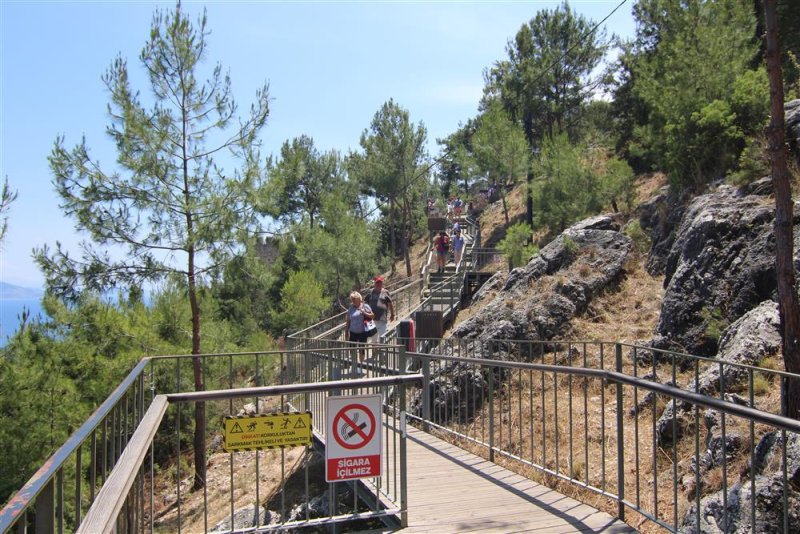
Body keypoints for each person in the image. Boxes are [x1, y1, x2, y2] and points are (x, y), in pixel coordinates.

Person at [363, 276, 395, 343]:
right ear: (375, 284)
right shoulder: (370, 293)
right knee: (374, 340)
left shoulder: (386, 292)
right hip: (372, 320)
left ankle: (382, 353)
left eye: (380, 283)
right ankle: (375, 352)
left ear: (382, 284)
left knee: (382, 338)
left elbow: (390, 303)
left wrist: (392, 314)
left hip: (382, 319)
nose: (378, 284)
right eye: (377, 283)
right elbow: (365, 303)